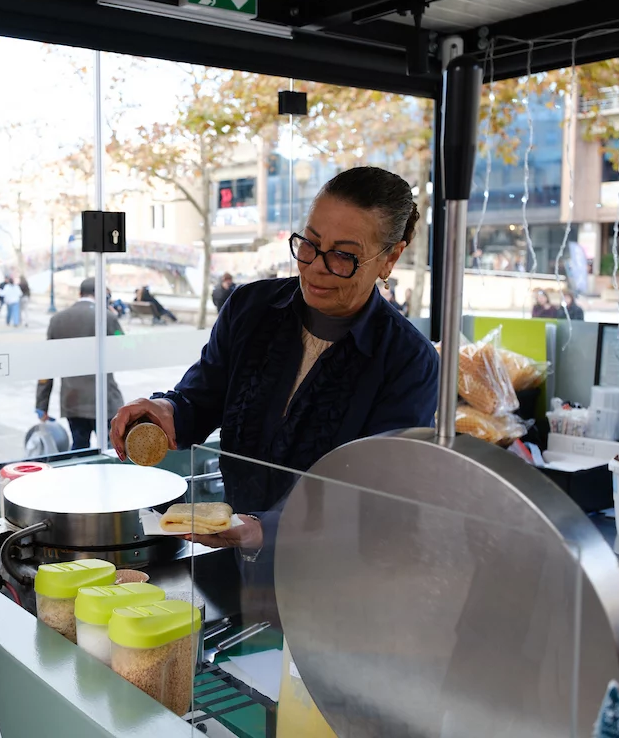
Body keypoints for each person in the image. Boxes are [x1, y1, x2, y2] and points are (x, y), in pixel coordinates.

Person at [110, 166, 438, 613]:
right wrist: (167, 410)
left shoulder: (408, 361)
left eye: (344, 256)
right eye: (309, 244)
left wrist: (265, 529)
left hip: (340, 588)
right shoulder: (251, 308)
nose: (316, 267)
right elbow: (202, 397)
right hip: (239, 570)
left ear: (390, 258)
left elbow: (377, 500)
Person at [37, 277, 125, 450]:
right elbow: (124, 346)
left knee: (80, 447)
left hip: (72, 399)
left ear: (80, 293)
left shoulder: (57, 319)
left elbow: (48, 364)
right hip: (104, 399)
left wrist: (42, 404)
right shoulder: (107, 317)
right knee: (112, 449)